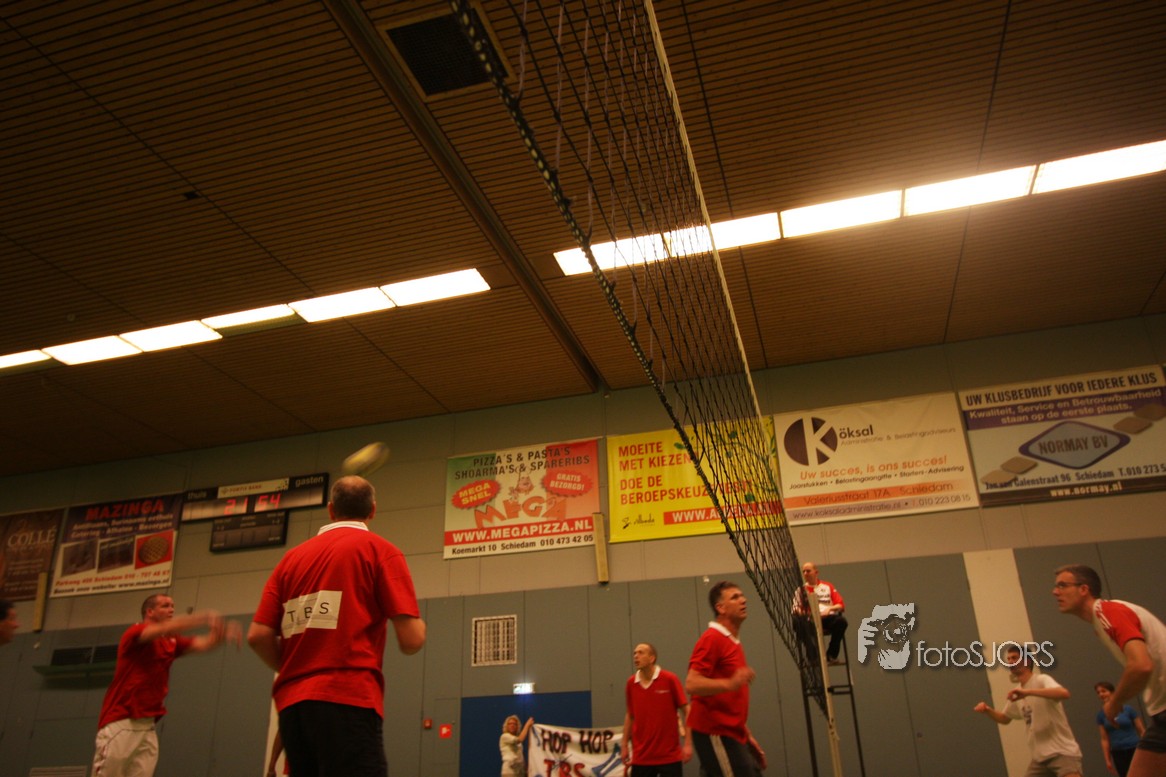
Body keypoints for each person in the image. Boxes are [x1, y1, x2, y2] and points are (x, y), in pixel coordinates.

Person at [249, 475, 426, 777]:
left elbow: (257, 636)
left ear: (331, 509)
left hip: (293, 709)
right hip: (347, 699)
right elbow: (411, 640)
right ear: (372, 510)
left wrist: (296, 669)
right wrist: (419, 625)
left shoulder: (290, 560)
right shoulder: (379, 550)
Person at [92, 594, 241, 777]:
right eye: (165, 606)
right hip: (122, 721)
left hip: (147, 726)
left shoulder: (170, 640)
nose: (171, 610)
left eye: (172, 606)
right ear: (150, 612)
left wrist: (220, 634)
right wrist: (204, 617)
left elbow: (204, 644)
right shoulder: (136, 632)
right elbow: (166, 627)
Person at [1055, 564, 1166, 777]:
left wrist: (1114, 703)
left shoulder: (1108, 611)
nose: (1055, 592)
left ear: (1084, 589)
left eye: (1062, 585)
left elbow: (1141, 665)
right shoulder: (1100, 624)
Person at [686, 581, 766, 777]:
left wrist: (746, 735)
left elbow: (729, 702)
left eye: (742, 596)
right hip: (715, 732)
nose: (743, 600)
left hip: (733, 733)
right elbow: (692, 684)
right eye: (735, 597)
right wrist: (730, 684)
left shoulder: (733, 641)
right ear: (720, 608)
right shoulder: (713, 638)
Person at [972, 644, 1083, 777]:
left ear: (1027, 661)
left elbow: (1064, 693)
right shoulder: (1017, 692)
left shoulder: (1042, 680)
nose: (1010, 662)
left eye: (1014, 658)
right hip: (1040, 759)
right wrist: (987, 710)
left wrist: (1028, 692)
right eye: (1008, 659)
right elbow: (1004, 718)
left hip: (1061, 752)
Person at [622, 642, 690, 776]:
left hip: (669, 756)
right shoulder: (631, 683)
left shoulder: (670, 679)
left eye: (641, 653)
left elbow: (687, 711)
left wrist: (688, 744)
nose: (636, 656)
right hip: (641, 757)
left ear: (652, 658)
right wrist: (624, 745)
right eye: (634, 653)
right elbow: (630, 715)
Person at [793, 562, 848, 665]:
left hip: (826, 618)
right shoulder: (801, 590)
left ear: (816, 572)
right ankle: (813, 656)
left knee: (841, 622)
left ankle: (831, 655)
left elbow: (840, 605)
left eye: (808, 571)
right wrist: (805, 613)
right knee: (797, 623)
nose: (805, 573)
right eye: (803, 571)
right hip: (810, 620)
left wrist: (829, 609)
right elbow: (796, 608)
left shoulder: (827, 586)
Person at [1095, 681, 1144, 776]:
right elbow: (1104, 739)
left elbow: (1141, 730)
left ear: (1112, 692)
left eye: (1103, 691)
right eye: (1098, 693)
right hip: (1118, 752)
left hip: (1135, 748)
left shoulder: (1128, 710)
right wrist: (1107, 760)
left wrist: (1146, 749)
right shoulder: (1101, 715)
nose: (1101, 694)